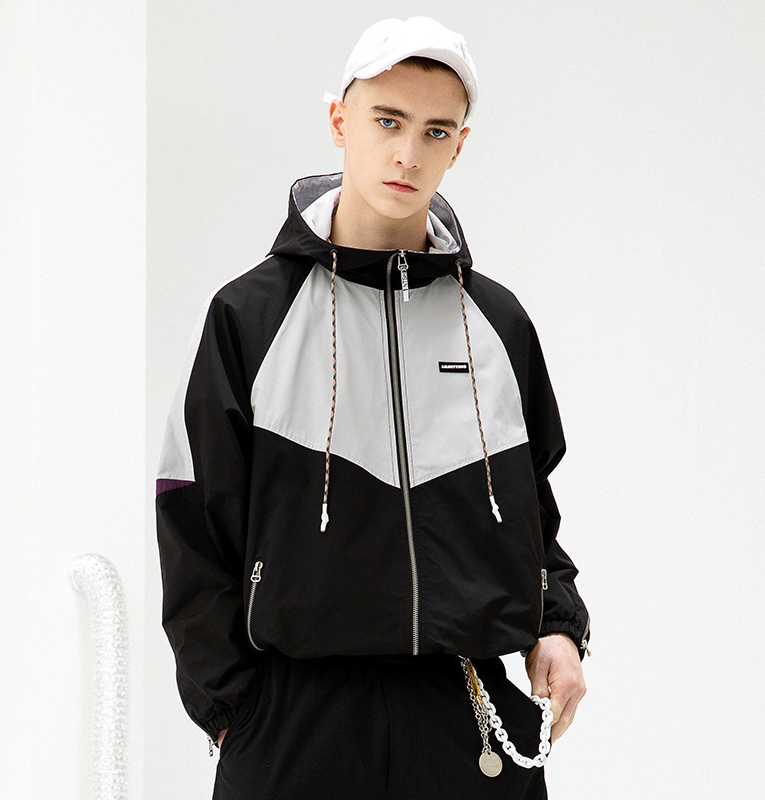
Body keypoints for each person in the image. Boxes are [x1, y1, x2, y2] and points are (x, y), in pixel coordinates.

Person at [156, 16, 590, 799]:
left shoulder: (496, 323)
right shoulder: (251, 317)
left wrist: (556, 624)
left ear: (459, 146)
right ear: (339, 121)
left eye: (435, 132)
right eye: (387, 121)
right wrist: (232, 713)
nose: (408, 154)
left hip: (466, 712)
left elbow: (535, 512)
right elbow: (192, 518)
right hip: (294, 721)